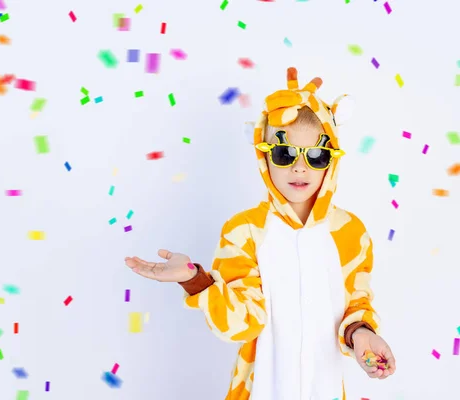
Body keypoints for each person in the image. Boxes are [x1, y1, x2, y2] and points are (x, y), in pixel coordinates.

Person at [125, 67, 396, 400]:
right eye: (285, 154)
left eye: (316, 155)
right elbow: (242, 324)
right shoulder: (244, 231)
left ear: (332, 158)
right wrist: (196, 281)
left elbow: (356, 305)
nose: (300, 168)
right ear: (263, 157)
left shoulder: (351, 233)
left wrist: (362, 334)